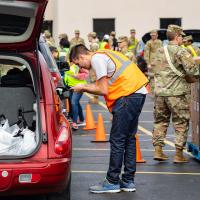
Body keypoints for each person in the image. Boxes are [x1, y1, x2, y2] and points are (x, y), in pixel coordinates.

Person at [69, 44, 148, 193]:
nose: (82, 69)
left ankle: (112, 181)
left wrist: (83, 87)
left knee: (118, 139)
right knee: (129, 138)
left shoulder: (97, 59)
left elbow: (102, 89)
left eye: (79, 64)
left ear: (80, 56)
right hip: (137, 92)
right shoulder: (105, 54)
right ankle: (128, 181)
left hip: (127, 94)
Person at [152, 25, 199, 163]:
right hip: (177, 94)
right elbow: (193, 71)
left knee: (160, 121)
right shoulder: (181, 52)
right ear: (177, 36)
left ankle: (158, 151)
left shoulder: (160, 50)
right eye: (181, 36)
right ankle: (178, 154)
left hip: (160, 93)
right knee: (180, 122)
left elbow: (155, 69)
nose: (182, 39)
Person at [64, 63, 88, 130]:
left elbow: (86, 74)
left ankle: (74, 122)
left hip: (79, 86)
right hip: (70, 86)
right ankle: (82, 120)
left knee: (74, 103)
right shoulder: (68, 64)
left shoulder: (78, 65)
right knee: (76, 103)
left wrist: (76, 76)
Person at [144, 30, 162, 95]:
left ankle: (159, 91)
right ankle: (152, 92)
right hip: (151, 62)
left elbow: (162, 51)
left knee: (159, 76)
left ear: (157, 35)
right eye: (152, 35)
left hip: (159, 62)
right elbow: (146, 53)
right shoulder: (148, 43)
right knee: (152, 77)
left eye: (154, 35)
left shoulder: (160, 42)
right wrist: (148, 63)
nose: (153, 36)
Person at [87, 32, 100, 104]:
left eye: (88, 37)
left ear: (91, 37)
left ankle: (96, 98)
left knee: (95, 82)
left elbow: (94, 54)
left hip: (94, 66)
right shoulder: (94, 43)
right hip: (93, 65)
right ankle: (95, 97)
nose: (88, 38)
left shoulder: (94, 44)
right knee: (94, 82)